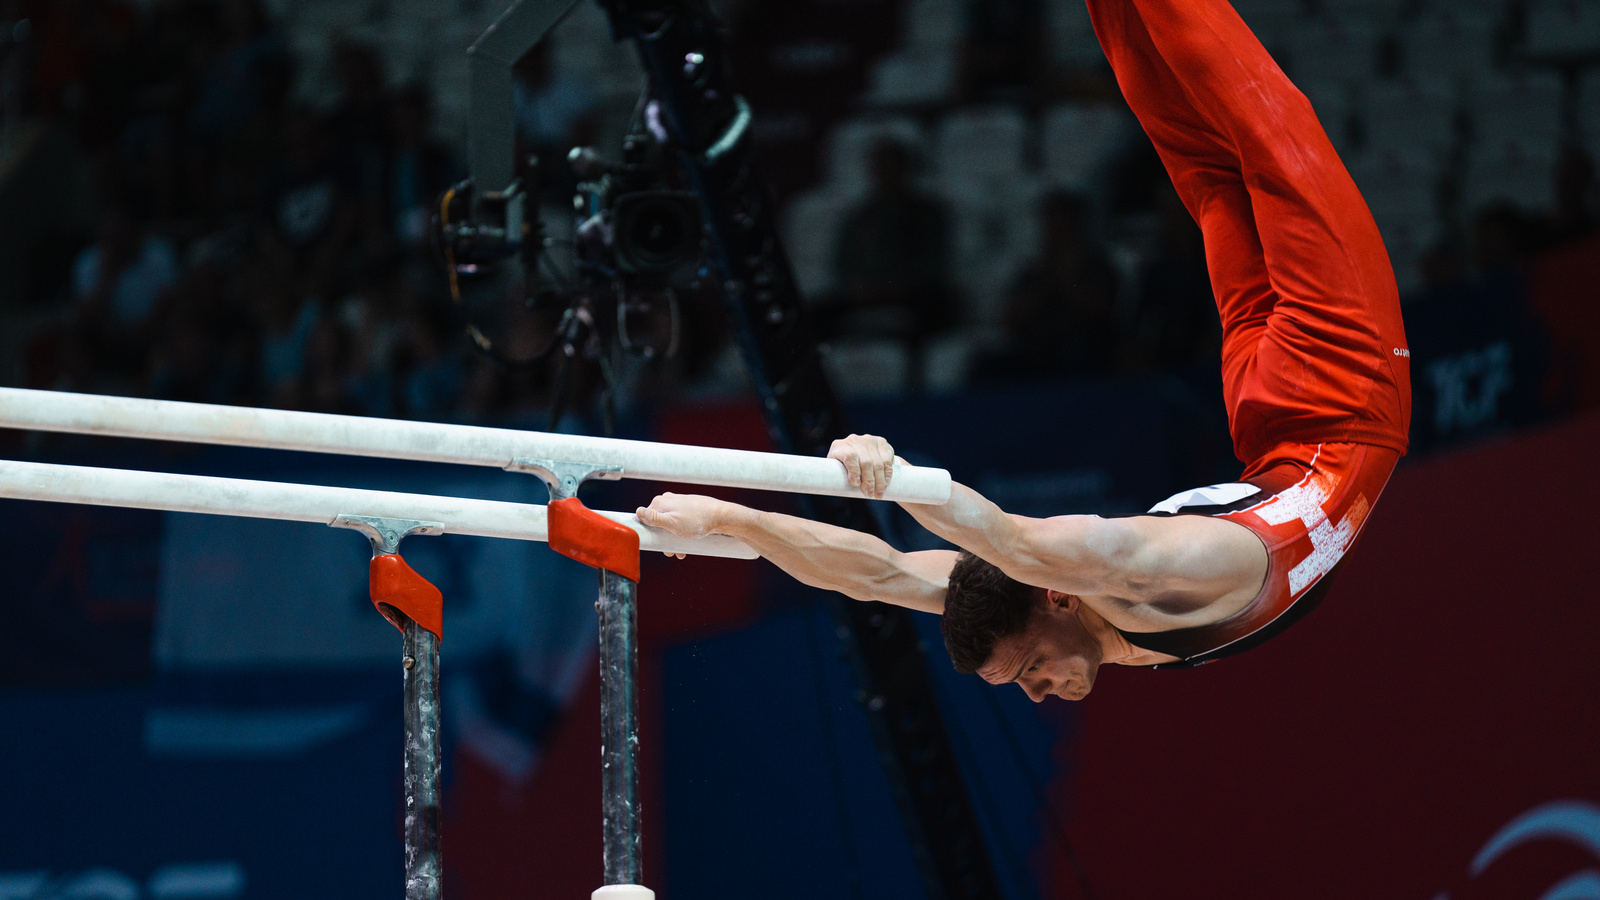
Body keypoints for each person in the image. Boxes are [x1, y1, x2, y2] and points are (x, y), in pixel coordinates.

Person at [638, 0, 1411, 701]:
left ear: (1058, 595)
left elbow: (950, 557)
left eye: (1024, 671)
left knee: (1258, 137)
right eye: (1027, 675)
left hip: (1301, 412)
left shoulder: (1144, 572)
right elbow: (902, 568)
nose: (1036, 691)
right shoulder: (1041, 588)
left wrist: (791, 504)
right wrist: (756, 515)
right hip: (1343, 389)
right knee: (1224, 165)